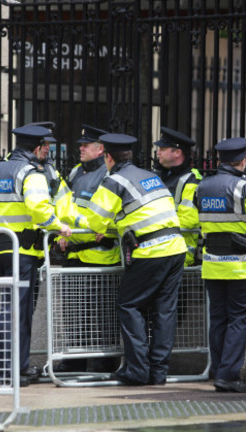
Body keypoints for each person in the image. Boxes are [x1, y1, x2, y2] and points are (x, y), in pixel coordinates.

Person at [0, 124, 75, 387]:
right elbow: (39, 210)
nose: (46, 150)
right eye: (44, 146)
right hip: (21, 252)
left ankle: (19, 367)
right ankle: (4, 371)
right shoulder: (31, 173)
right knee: (14, 311)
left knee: (19, 310)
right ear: (35, 148)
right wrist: (59, 226)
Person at [82, 133, 187, 386]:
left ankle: (137, 371)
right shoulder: (151, 176)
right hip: (176, 248)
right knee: (164, 311)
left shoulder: (114, 181)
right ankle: (158, 373)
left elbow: (95, 221)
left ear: (108, 157)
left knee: (130, 306)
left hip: (150, 250)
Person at [195, 137, 246, 393]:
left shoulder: (202, 186)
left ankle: (219, 370)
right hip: (243, 268)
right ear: (243, 160)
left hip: (212, 265)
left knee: (219, 320)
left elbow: (194, 219)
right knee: (239, 321)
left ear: (220, 160)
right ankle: (228, 376)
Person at [55, 125, 121, 373]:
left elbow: (115, 213)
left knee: (101, 315)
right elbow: (64, 209)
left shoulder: (109, 175)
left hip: (100, 257)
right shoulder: (75, 172)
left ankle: (104, 363)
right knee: (74, 313)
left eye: (86, 145)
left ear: (101, 149)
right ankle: (74, 362)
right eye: (80, 144)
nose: (80, 148)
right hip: (74, 255)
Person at [153, 126, 202, 267]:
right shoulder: (160, 176)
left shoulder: (192, 180)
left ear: (177, 153)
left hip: (179, 256)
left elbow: (188, 220)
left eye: (163, 149)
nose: (158, 152)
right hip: (157, 252)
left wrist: (153, 226)